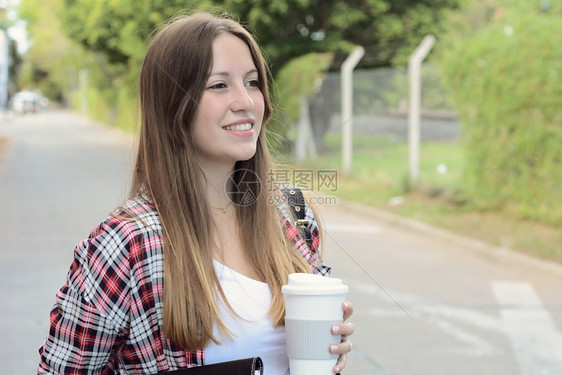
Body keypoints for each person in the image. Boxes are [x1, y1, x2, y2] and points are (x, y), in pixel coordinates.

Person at [37, 11, 354, 375]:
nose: (246, 101)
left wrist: (332, 345)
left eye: (252, 82)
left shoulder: (293, 211)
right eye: (219, 86)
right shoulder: (126, 242)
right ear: (174, 105)